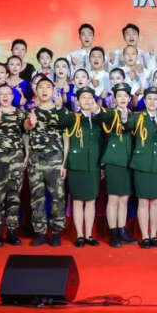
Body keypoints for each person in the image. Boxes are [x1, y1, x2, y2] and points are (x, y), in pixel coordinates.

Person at [23, 77, 68, 247]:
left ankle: (56, 232)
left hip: (55, 160)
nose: (44, 90)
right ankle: (40, 232)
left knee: (58, 197)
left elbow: (66, 139)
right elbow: (26, 131)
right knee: (37, 198)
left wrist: (64, 163)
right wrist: (30, 123)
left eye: (48, 87)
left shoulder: (60, 112)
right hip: (35, 160)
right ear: (36, 91)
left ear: (53, 90)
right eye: (40, 87)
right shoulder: (31, 111)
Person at [60, 88, 105, 247]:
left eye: (90, 97)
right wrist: (59, 107)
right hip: (76, 164)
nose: (87, 100)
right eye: (83, 97)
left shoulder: (99, 118)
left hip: (94, 164)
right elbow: (62, 125)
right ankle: (79, 235)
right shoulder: (73, 117)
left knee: (91, 200)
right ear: (77, 102)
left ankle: (89, 235)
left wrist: (102, 165)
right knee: (78, 200)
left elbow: (102, 142)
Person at [0, 83, 27, 247]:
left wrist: (26, 155)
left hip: (16, 157)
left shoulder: (20, 114)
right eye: (1, 93)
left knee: (14, 194)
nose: (5, 96)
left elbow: (27, 130)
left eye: (7, 93)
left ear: (12, 96)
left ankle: (11, 230)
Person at [130, 87, 157, 248]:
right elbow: (127, 124)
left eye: (155, 99)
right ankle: (145, 236)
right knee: (143, 201)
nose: (152, 102)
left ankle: (153, 235)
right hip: (142, 163)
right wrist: (124, 118)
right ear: (144, 101)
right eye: (149, 99)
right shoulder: (137, 117)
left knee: (156, 201)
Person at [100, 84, 137, 247]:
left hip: (128, 161)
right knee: (113, 198)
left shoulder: (133, 115)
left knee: (124, 198)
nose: (122, 99)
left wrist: (125, 118)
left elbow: (132, 128)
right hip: (113, 160)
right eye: (119, 96)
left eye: (125, 96)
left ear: (129, 98)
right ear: (114, 98)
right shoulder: (110, 113)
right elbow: (102, 117)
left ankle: (122, 231)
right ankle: (113, 232)